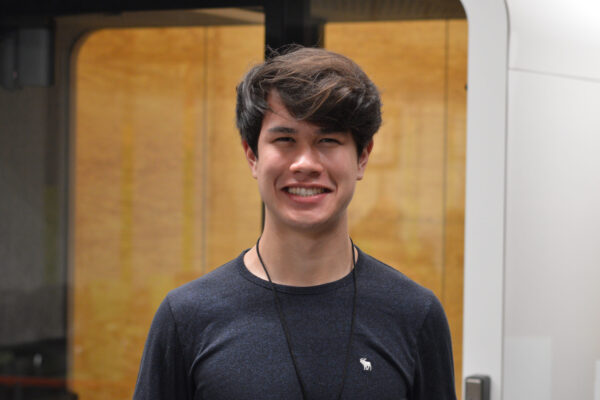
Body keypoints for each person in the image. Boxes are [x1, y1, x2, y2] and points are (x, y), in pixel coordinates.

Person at [133, 46, 456, 400]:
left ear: (362, 158)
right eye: (285, 139)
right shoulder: (186, 317)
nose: (305, 163)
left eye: (328, 140)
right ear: (252, 155)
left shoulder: (414, 314)